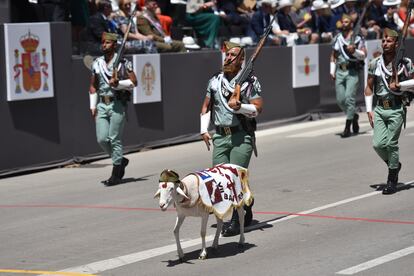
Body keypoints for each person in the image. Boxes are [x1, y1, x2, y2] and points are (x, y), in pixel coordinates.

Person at [199, 41, 263, 236]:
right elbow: (206, 107)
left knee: (234, 177)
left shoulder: (249, 81)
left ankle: (237, 219)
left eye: (232, 55)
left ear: (241, 60)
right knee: (220, 179)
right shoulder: (215, 81)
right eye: (226, 55)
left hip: (241, 135)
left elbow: (257, 108)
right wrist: (204, 130)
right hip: (220, 135)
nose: (227, 58)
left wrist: (240, 107)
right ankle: (248, 202)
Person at [364, 28, 414, 194]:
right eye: (383, 41)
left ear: (396, 43)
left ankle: (392, 180)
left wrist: (401, 85)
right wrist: (369, 110)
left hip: (396, 108)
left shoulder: (405, 63)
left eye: (389, 41)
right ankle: (395, 165)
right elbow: (369, 87)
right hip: (379, 109)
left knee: (391, 144)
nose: (385, 43)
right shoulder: (374, 63)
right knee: (378, 144)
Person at [89, 32, 137, 186]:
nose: (104, 45)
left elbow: (134, 82)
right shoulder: (97, 63)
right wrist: (92, 105)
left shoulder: (123, 62)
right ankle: (120, 160)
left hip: (117, 103)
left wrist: (119, 84)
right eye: (102, 42)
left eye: (107, 42)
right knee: (102, 139)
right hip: (102, 104)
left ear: (114, 44)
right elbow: (93, 86)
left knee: (114, 138)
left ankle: (116, 173)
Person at [330, 14, 367, 138]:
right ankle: (354, 116)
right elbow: (333, 55)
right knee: (340, 100)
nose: (344, 24)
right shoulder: (338, 38)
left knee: (349, 98)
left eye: (347, 22)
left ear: (351, 24)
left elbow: (364, 55)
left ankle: (347, 127)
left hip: (352, 71)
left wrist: (354, 51)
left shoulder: (357, 38)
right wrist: (332, 70)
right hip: (340, 71)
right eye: (343, 22)